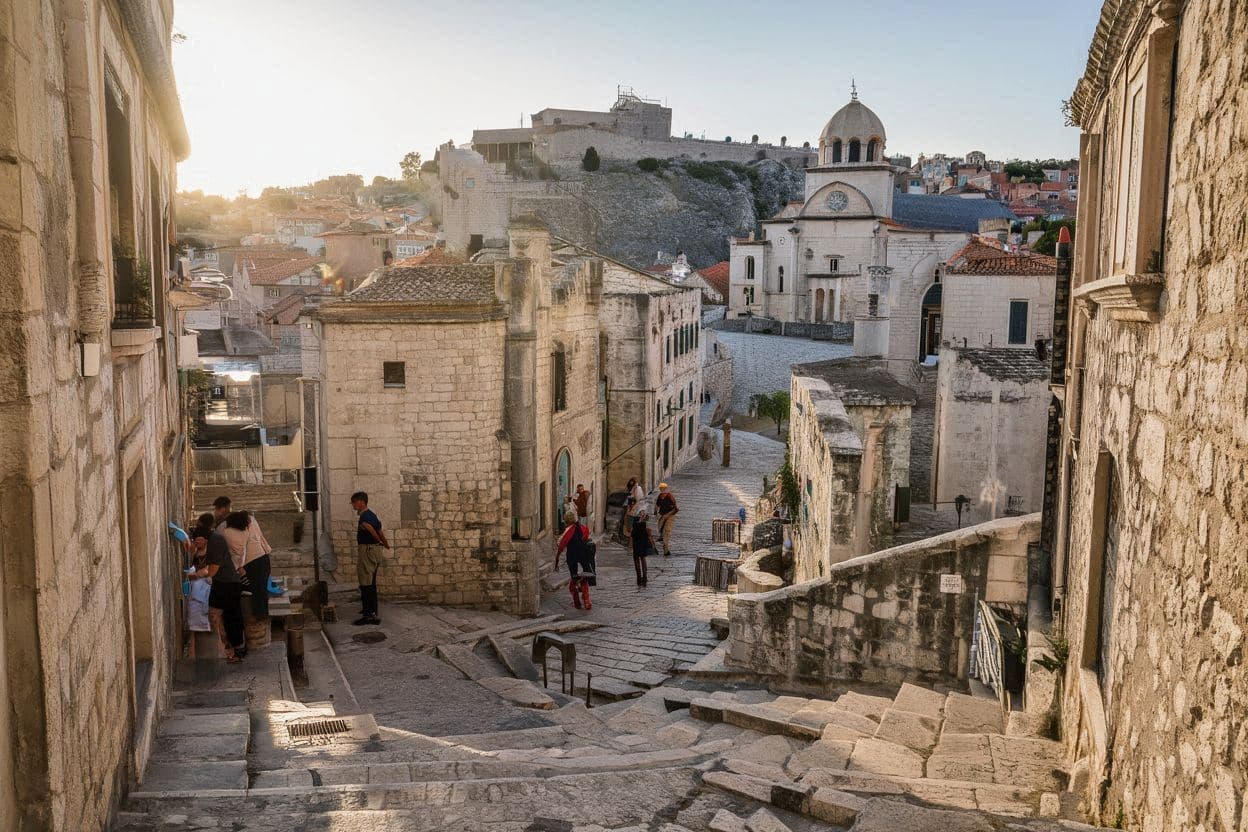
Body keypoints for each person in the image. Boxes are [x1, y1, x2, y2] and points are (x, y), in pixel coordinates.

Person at [187, 516, 245, 662]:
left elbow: (213, 569)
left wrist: (197, 576)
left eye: (198, 541)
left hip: (228, 584)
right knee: (219, 614)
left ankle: (237, 651)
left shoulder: (216, 542)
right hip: (222, 583)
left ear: (203, 538)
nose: (197, 543)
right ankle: (228, 648)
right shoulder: (211, 541)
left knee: (231, 617)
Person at [220, 511, 274, 617]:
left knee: (252, 591)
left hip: (250, 562)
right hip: (263, 558)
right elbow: (260, 537)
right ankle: (261, 616)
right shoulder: (251, 522)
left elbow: (239, 551)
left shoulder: (229, 531)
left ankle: (255, 617)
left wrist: (239, 567)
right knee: (261, 590)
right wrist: (267, 550)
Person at [352, 491, 388, 626]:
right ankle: (371, 610)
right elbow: (379, 530)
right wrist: (385, 544)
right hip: (373, 551)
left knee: (366, 583)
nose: (353, 505)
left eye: (354, 502)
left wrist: (378, 541)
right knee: (370, 582)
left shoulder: (365, 517)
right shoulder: (372, 515)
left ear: (361, 502)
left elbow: (372, 530)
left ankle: (369, 616)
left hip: (367, 551)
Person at [555, 510, 593, 611]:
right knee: (584, 577)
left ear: (566, 520)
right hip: (583, 556)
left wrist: (557, 558)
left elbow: (561, 544)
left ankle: (577, 603)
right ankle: (587, 601)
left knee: (574, 578)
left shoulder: (568, 530)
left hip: (572, 556)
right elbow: (587, 535)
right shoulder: (582, 528)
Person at [631, 510, 655, 586]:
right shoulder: (643, 522)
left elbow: (631, 531)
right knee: (641, 558)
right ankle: (642, 577)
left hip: (639, 540)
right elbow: (649, 533)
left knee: (639, 558)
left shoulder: (637, 521)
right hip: (640, 540)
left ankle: (641, 577)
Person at [655, 483, 679, 557]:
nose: (662, 489)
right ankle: (664, 543)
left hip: (670, 516)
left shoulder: (670, 497)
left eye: (663, 488)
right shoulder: (660, 496)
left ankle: (666, 547)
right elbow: (657, 505)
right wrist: (655, 512)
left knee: (667, 531)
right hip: (663, 515)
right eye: (661, 488)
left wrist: (667, 515)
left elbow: (675, 509)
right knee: (660, 528)